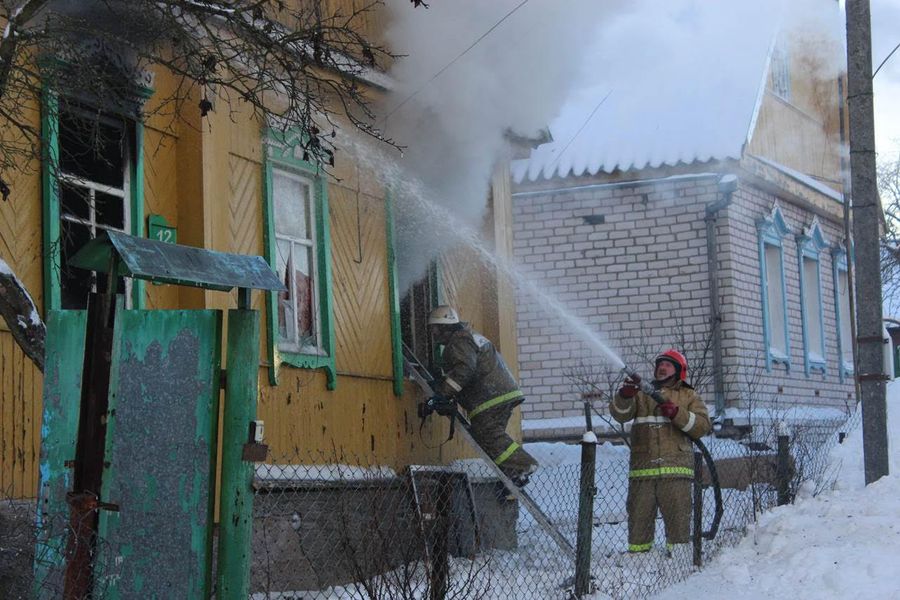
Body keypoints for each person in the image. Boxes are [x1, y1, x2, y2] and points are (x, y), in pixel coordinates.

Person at [609, 349, 710, 554]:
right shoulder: (641, 394)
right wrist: (624, 396)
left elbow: (702, 426)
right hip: (642, 472)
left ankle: (679, 559)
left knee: (678, 520)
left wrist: (677, 413)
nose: (662, 368)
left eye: (668, 365)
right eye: (660, 364)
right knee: (639, 521)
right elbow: (620, 416)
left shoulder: (688, 395)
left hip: (676, 471)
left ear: (679, 371)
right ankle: (638, 559)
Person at [427, 305, 538, 486]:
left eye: (435, 328)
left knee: (487, 434)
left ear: (445, 327)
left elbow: (464, 369)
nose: (433, 333)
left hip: (490, 396)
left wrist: (443, 394)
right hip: (499, 392)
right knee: (489, 439)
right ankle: (513, 474)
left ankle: (523, 464)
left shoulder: (459, 341)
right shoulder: (467, 336)